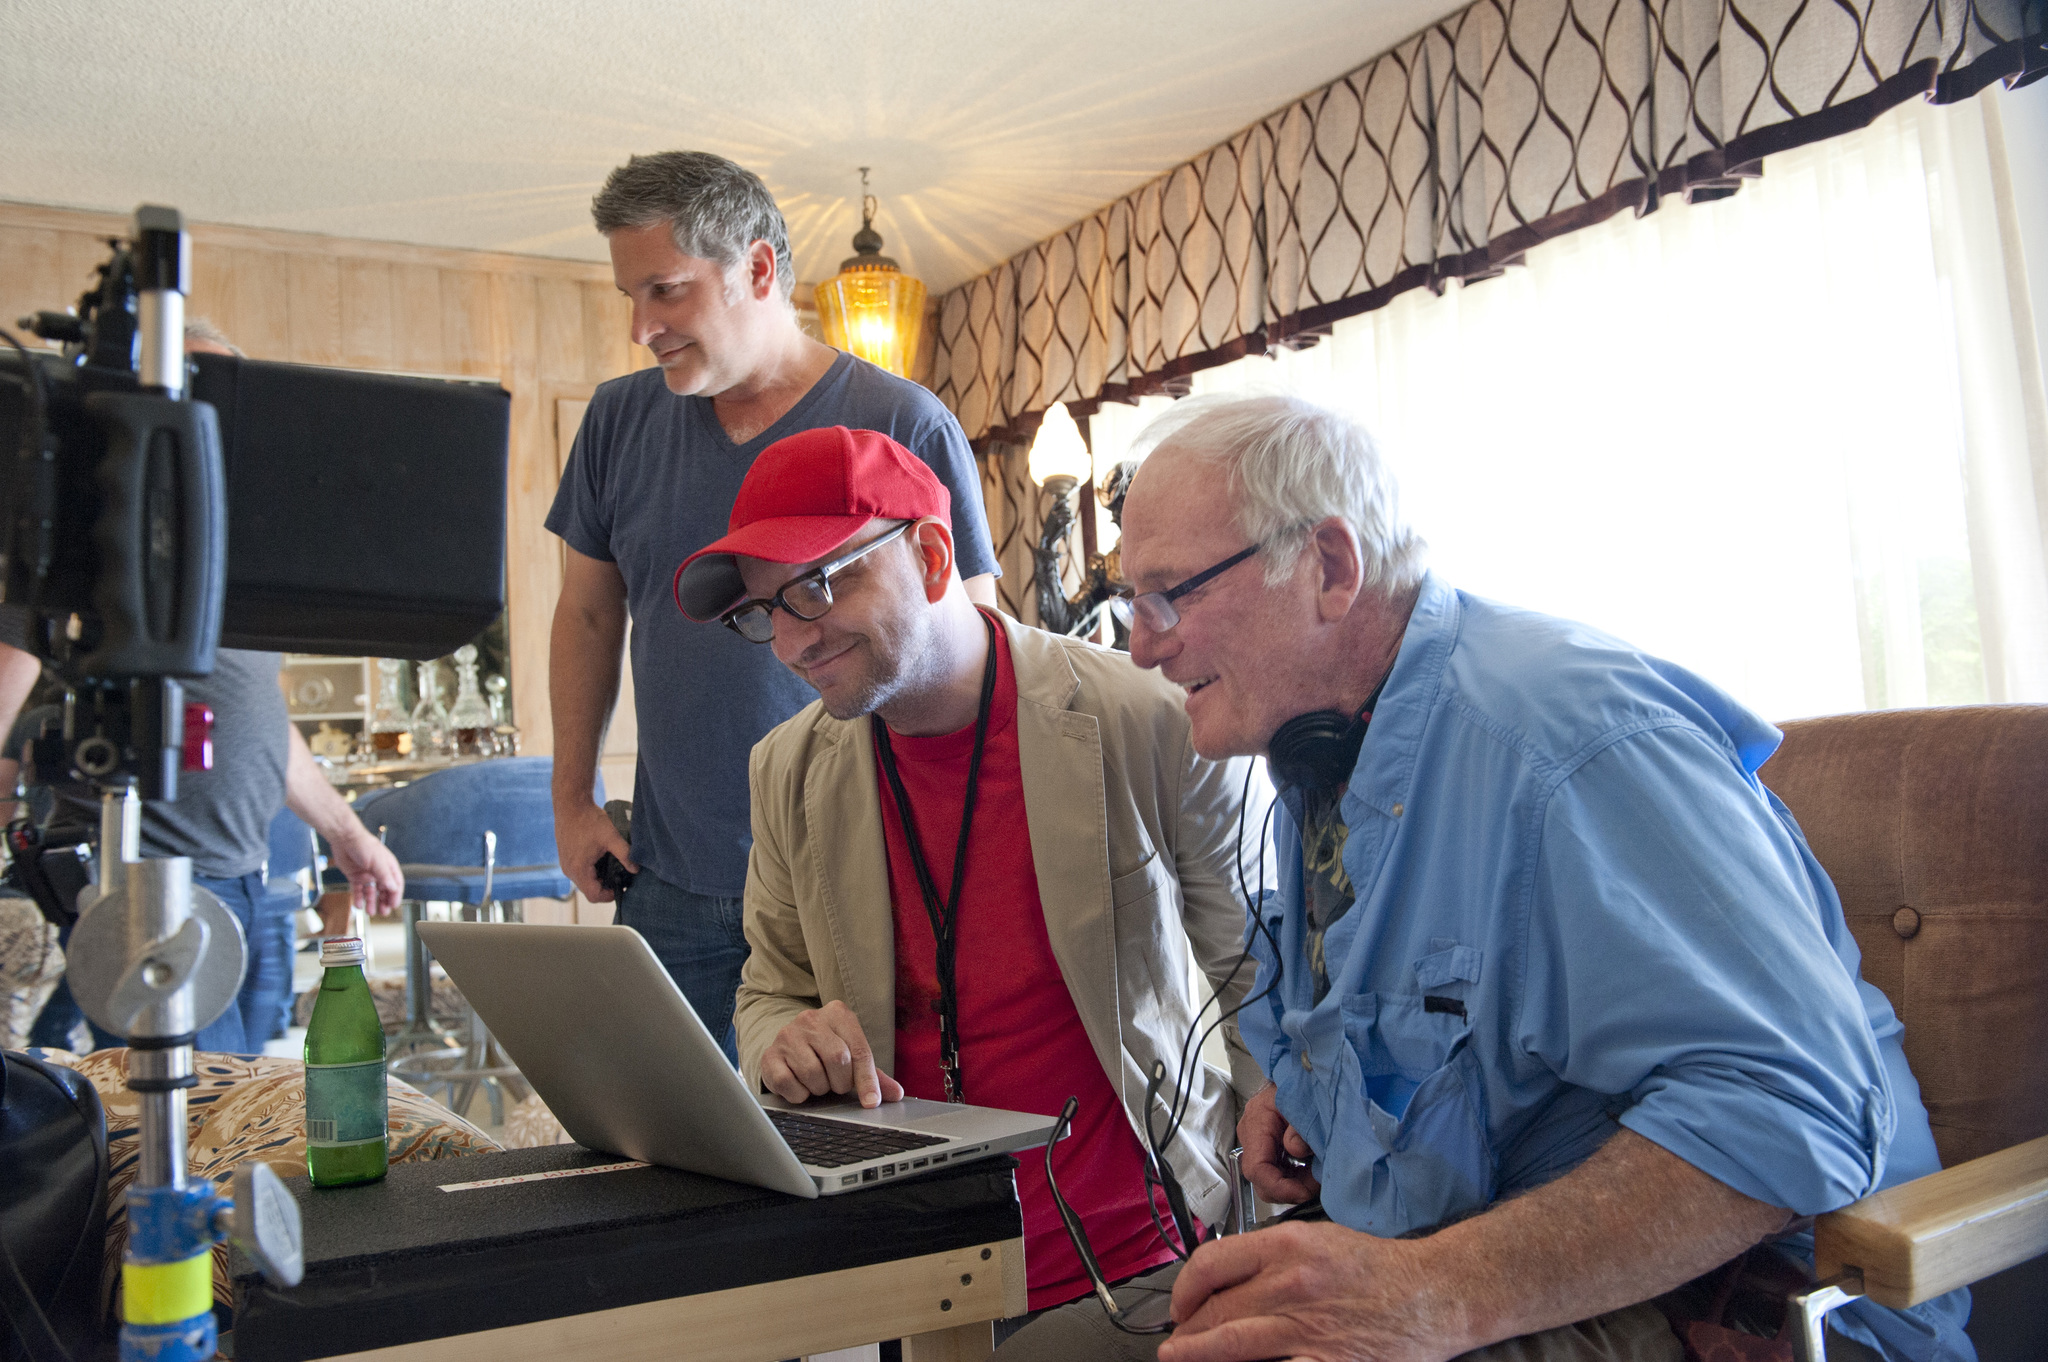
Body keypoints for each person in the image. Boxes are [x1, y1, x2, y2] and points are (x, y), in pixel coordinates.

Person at [999, 394, 1970, 1362]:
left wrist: (1433, 1290)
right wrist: (1321, 1100)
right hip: (1473, 1255)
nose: (1141, 643)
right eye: (1136, 601)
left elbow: (1791, 1103)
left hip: (1742, 1302)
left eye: (1175, 593)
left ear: (1330, 569)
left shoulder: (1566, 739)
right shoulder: (1328, 756)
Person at [675, 424, 1262, 1319]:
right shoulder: (784, 771)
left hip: (1141, 1260)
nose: (791, 643)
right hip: (901, 1270)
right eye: (766, 611)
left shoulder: (1148, 719)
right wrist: (779, 1046)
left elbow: (1255, 976)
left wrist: (1272, 1227)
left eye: (818, 586)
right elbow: (768, 994)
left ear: (934, 554)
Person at [548, 151, 1000, 1062]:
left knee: (847, 1158)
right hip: (669, 876)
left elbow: (972, 648)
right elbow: (589, 616)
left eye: (666, 292)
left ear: (757, 270)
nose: (641, 327)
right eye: (630, 298)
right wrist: (571, 797)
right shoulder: (615, 422)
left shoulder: (903, 422)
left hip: (859, 877)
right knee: (669, 1161)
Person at [5, 321, 405, 1054]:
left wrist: (347, 835)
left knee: (245, 1115)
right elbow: (6, 673)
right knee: (197, 1129)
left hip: (248, 879)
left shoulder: (233, 544)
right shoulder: (85, 533)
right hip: (147, 887)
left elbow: (260, 716)